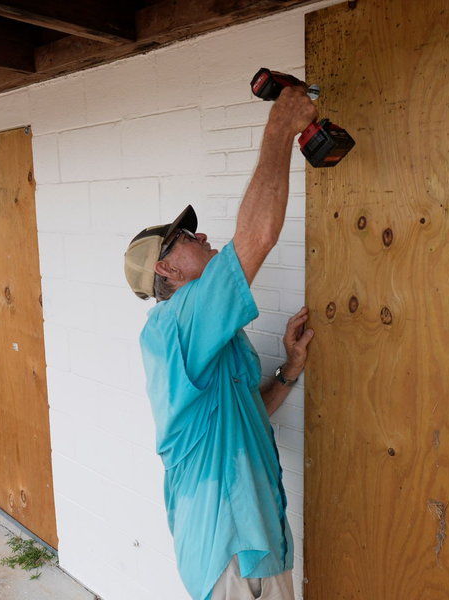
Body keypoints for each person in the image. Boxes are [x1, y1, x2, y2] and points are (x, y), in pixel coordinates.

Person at [123, 83, 318, 600]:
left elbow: (244, 412)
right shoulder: (173, 325)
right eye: (188, 238)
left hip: (259, 543)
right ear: (165, 268)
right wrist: (280, 128)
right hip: (229, 551)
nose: (202, 237)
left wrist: (288, 371)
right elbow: (255, 239)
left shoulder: (215, 335)